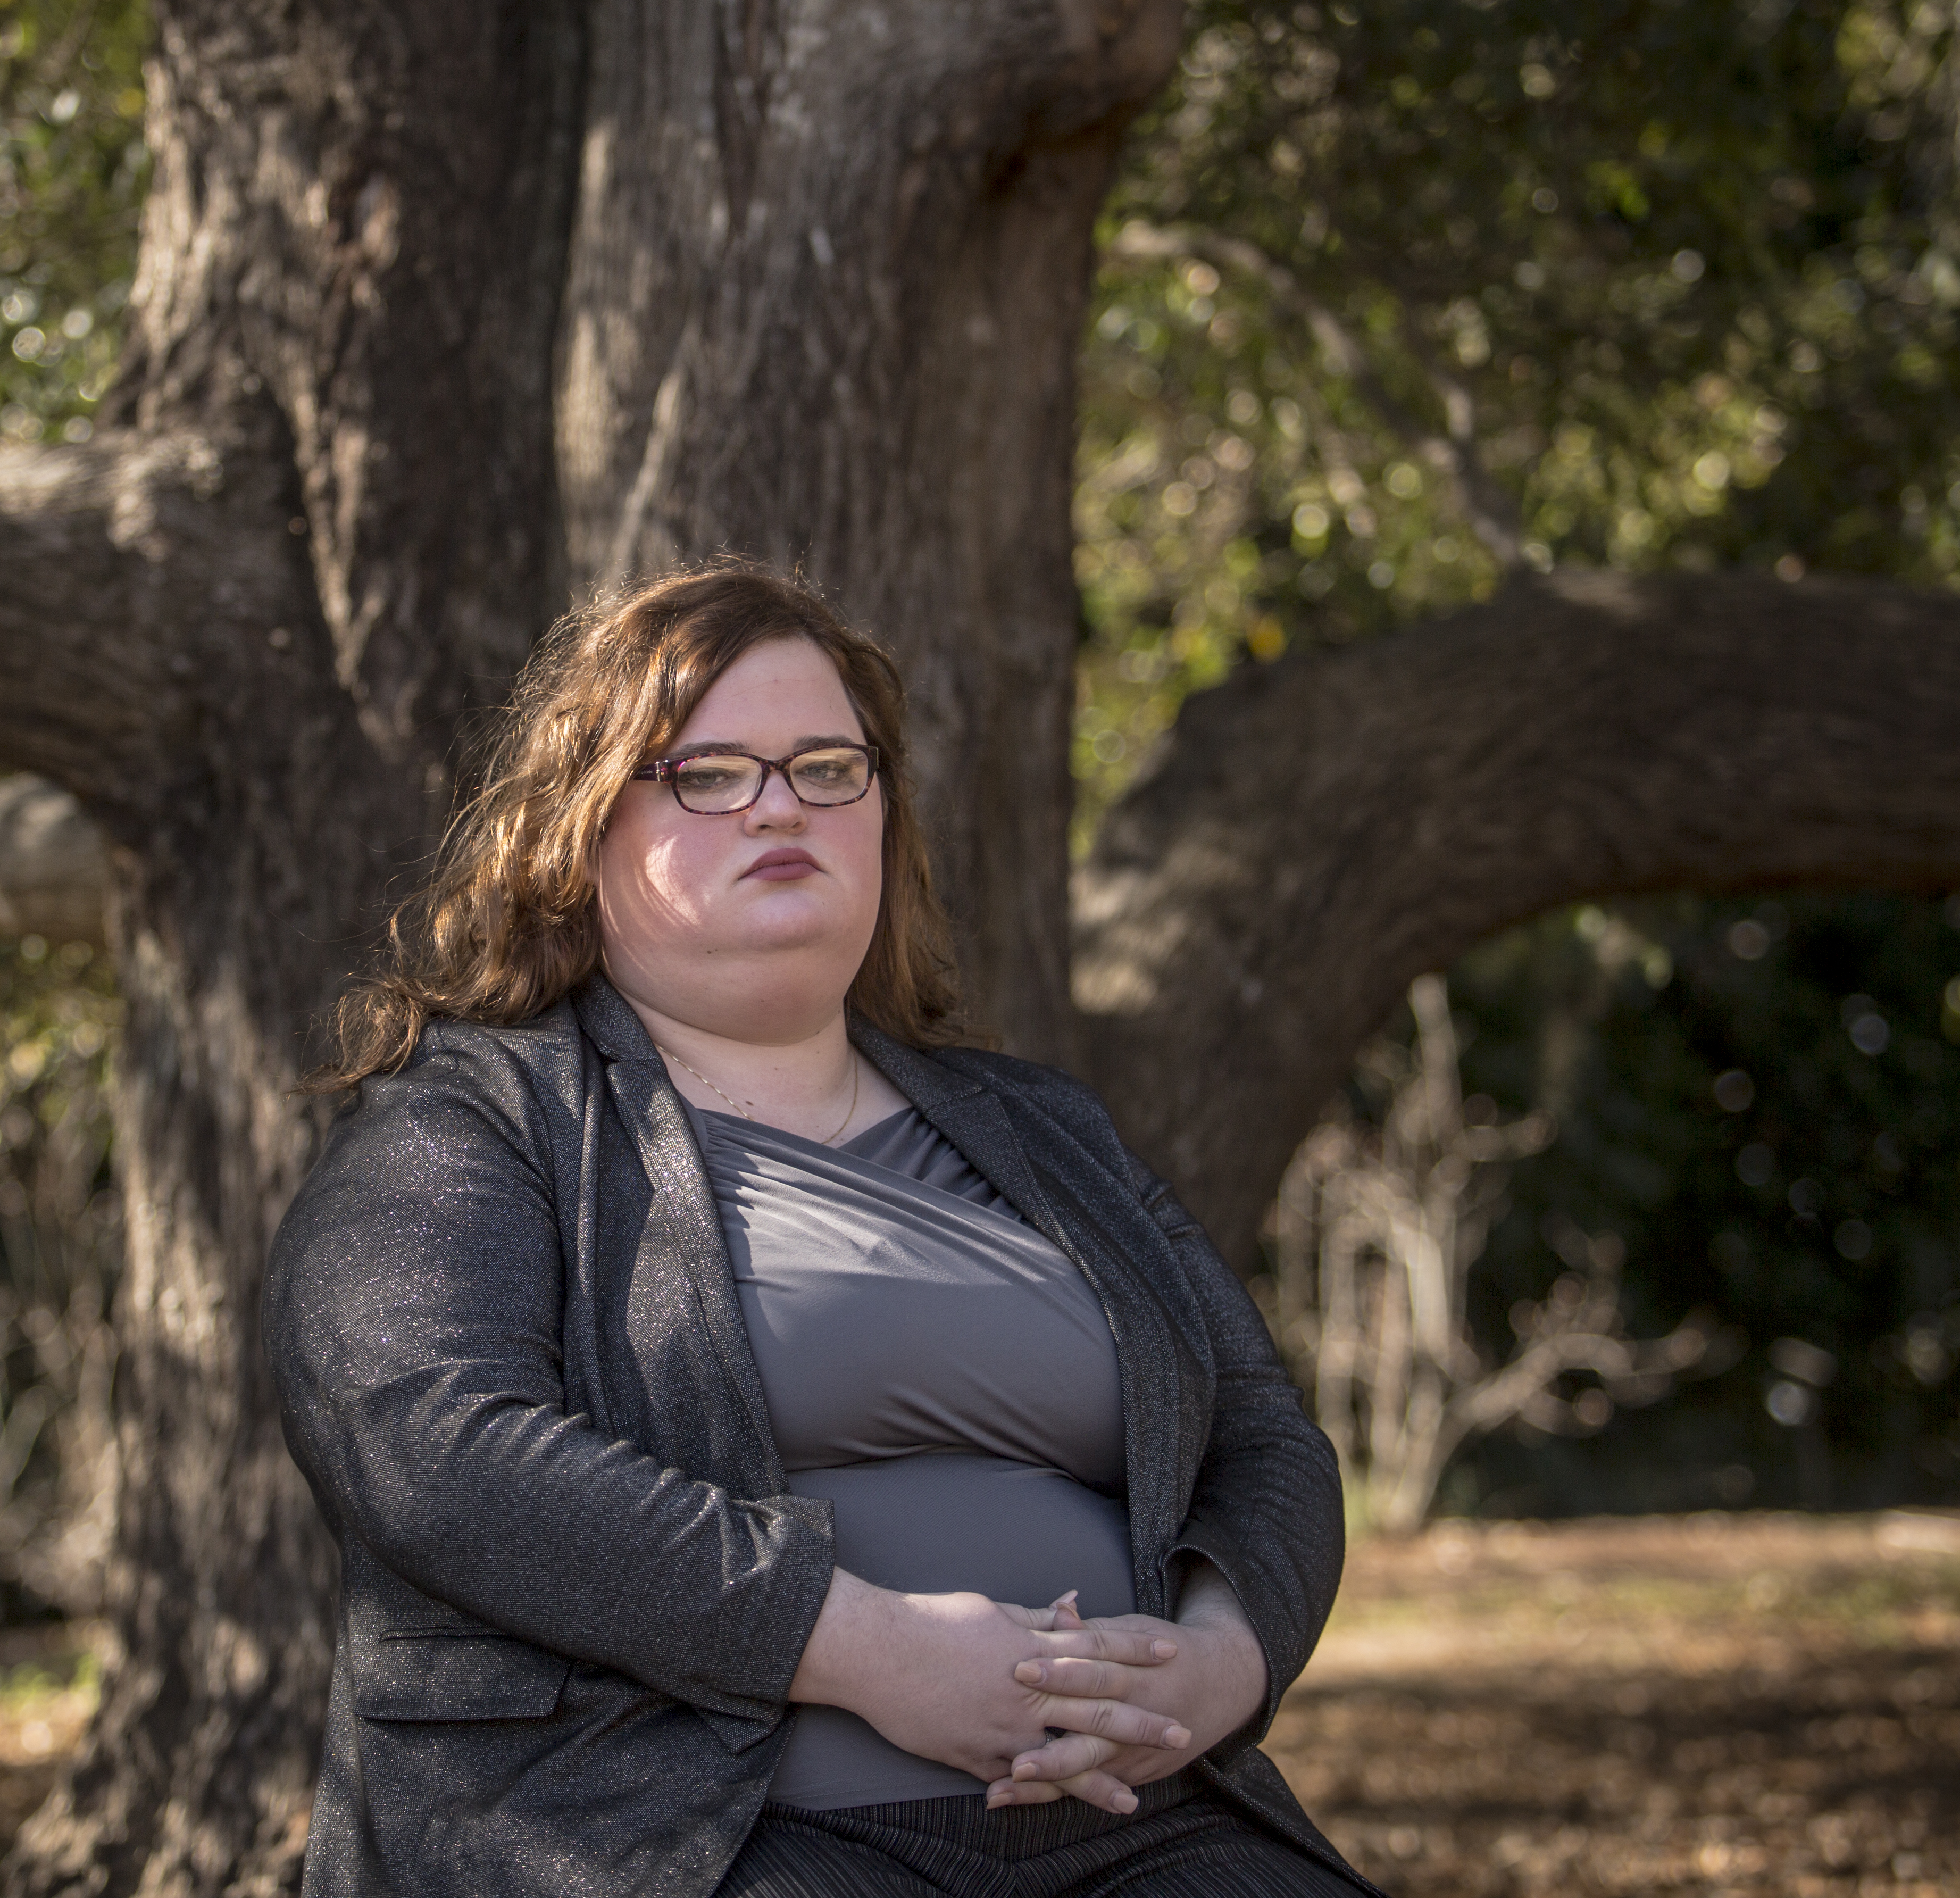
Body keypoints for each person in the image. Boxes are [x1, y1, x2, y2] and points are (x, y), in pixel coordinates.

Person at [267, 563, 1377, 1897]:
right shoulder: (476, 1121)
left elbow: (1263, 1435)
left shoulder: (1045, 1132)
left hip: (1140, 1821)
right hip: (690, 1838)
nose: (781, 802)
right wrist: (864, 1650)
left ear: (881, 817)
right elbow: (429, 1447)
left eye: (826, 767)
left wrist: (1219, 1660)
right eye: (709, 773)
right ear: (581, 832)